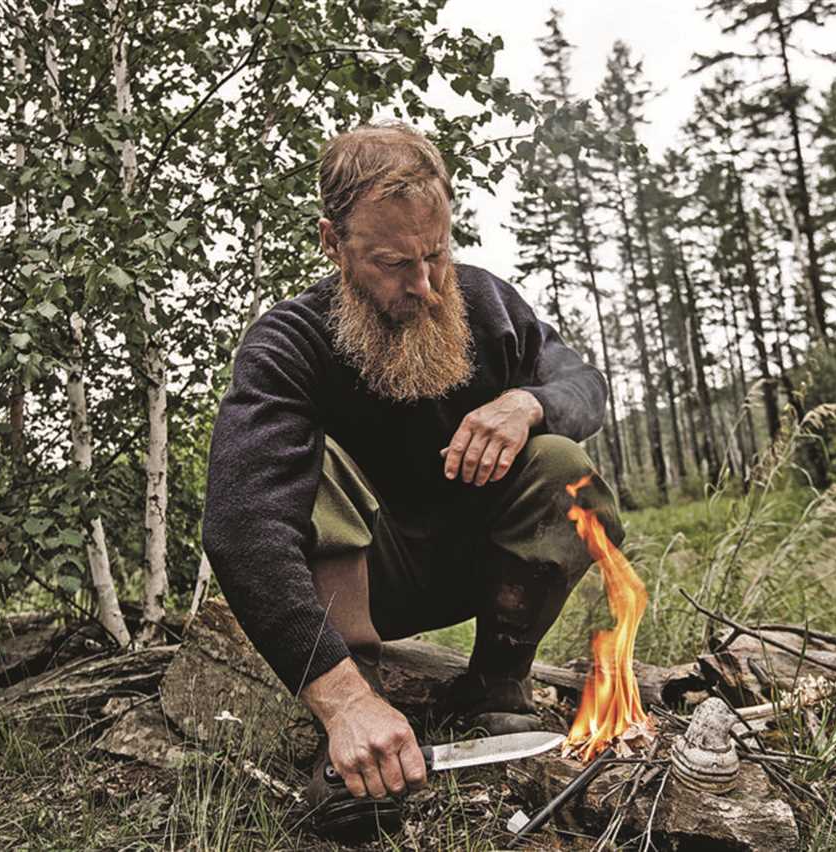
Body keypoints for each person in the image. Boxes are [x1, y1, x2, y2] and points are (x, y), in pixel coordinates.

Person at [201, 120, 623, 839]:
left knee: (565, 469)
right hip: (363, 582)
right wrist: (338, 701)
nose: (424, 287)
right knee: (315, 466)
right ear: (334, 243)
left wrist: (529, 404)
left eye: (436, 254)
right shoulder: (288, 344)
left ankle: (495, 681)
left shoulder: (488, 305)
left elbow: (584, 383)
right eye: (394, 262)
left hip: (475, 562)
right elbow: (240, 527)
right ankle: (362, 718)